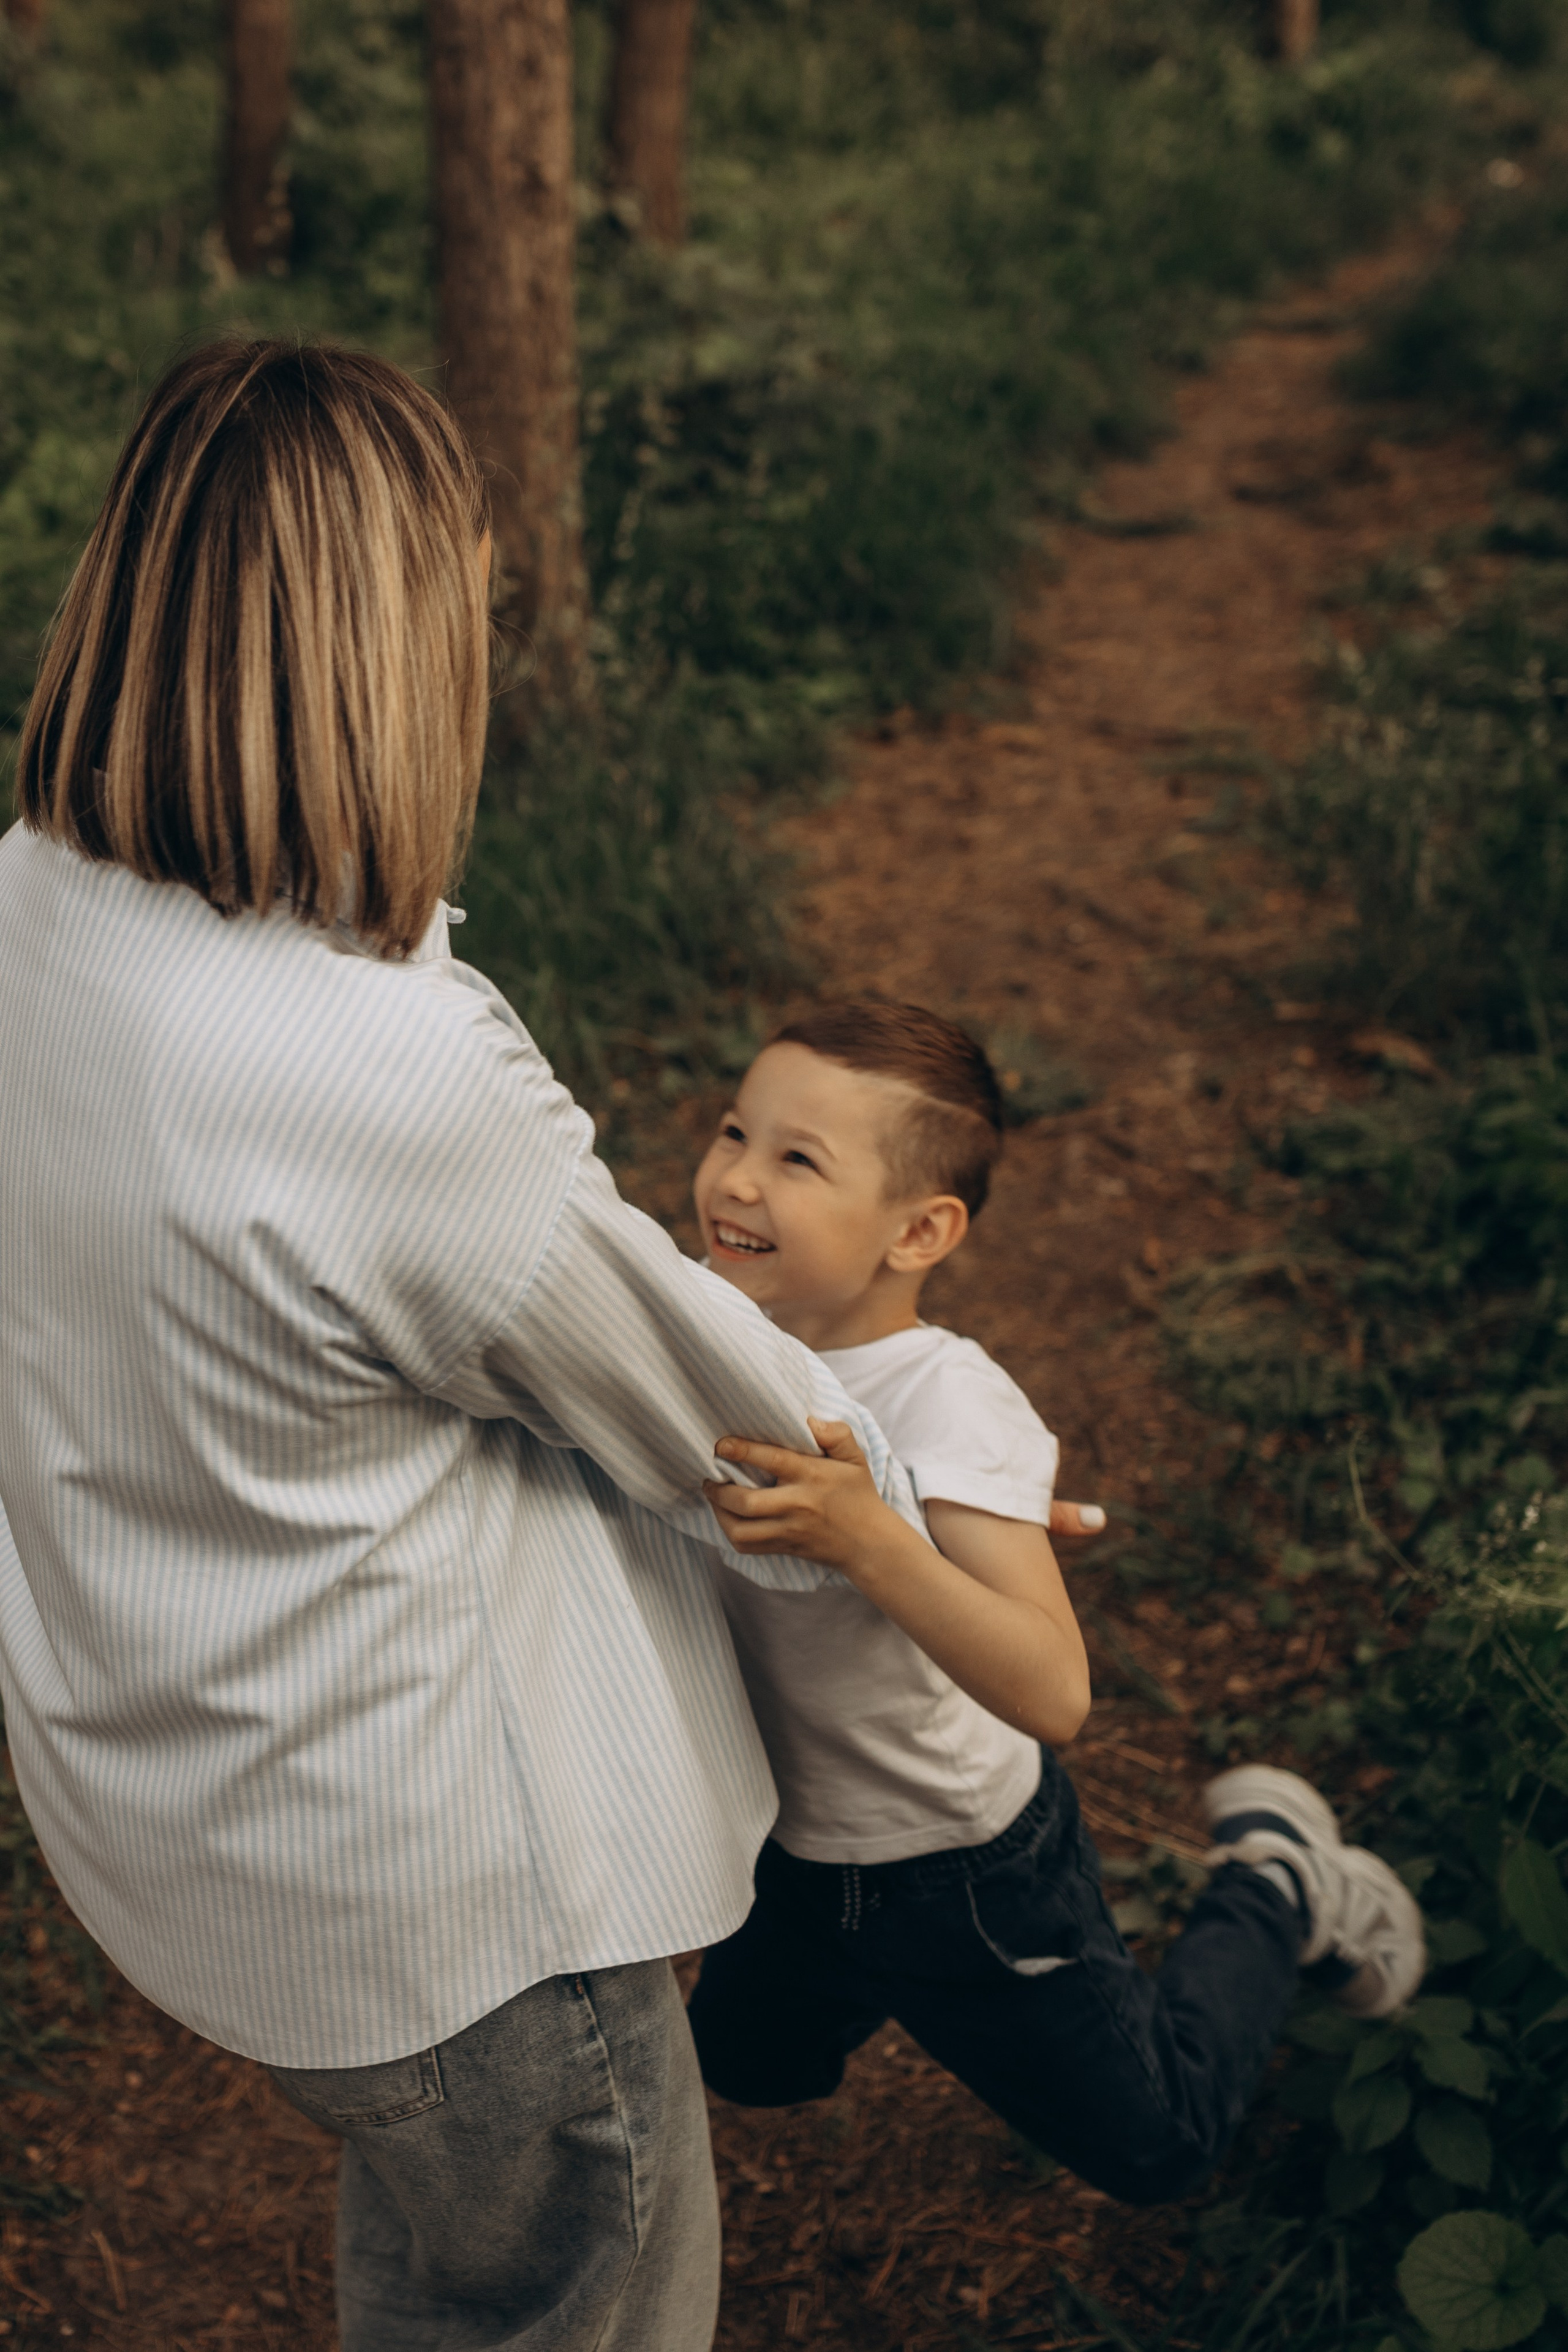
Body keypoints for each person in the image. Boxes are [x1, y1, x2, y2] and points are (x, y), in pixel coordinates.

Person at [0, 340, 954, 2352]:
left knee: (454, 2260)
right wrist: (937, 1485)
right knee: (576, 2291)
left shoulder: (29, 913)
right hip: (458, 1922)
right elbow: (752, 1442)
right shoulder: (392, 1081)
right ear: (395, 653)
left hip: (185, 1814)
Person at [688, 1001, 1426, 2206]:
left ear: (919, 1231)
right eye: (734, 1131)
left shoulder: (945, 1403)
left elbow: (1054, 1690)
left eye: (797, 1159)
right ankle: (887, 1983)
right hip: (797, 1841)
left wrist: (872, 1538)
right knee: (746, 2063)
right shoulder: (706, 1331)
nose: (736, 1178)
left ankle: (1276, 1885)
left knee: (1159, 2143)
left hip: (959, 1869)